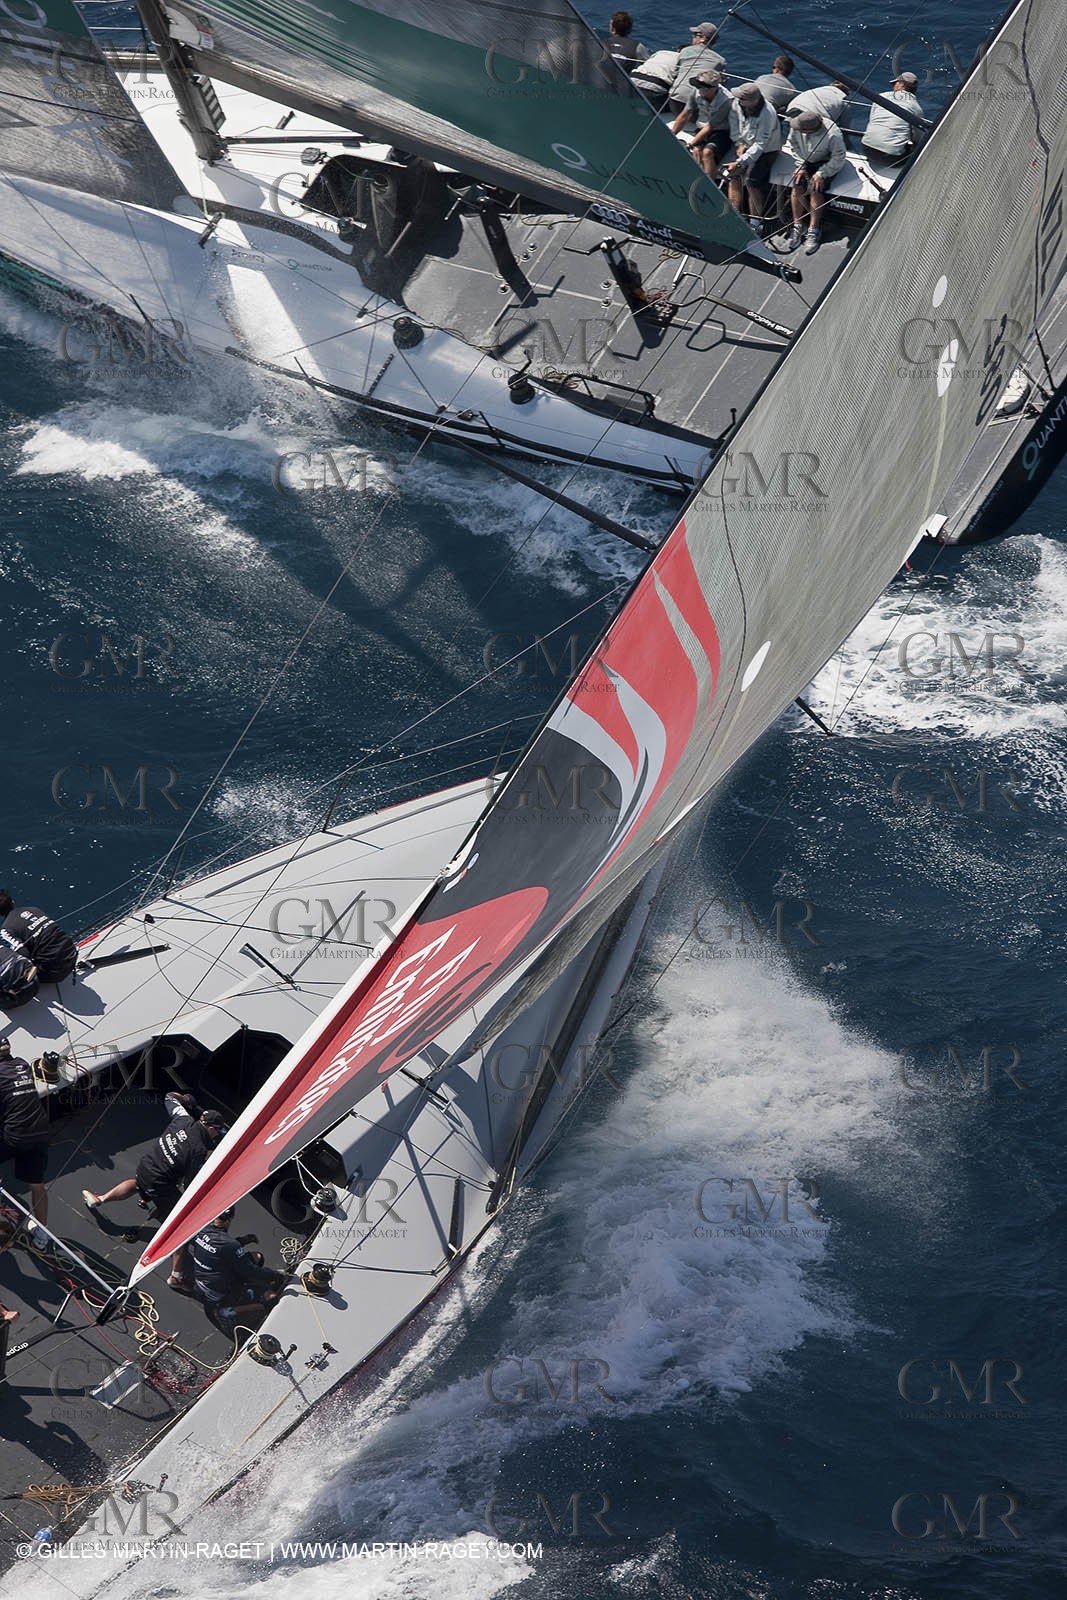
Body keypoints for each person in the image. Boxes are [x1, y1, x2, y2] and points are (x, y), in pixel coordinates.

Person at [83, 1092, 227, 1290]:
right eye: (217, 1130)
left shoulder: (183, 1118)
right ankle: (177, 1276)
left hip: (146, 1167)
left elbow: (169, 1097)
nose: (216, 1134)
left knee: (136, 1183)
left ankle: (100, 1199)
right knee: (181, 1225)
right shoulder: (199, 1150)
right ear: (210, 1127)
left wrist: (185, 1099)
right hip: (161, 1183)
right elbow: (191, 1183)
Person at [189, 1208, 285, 1338]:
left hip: (201, 1283)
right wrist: (274, 1275)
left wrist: (243, 1240)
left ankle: (245, 1291)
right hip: (219, 1292)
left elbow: (219, 1249)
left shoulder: (201, 1229)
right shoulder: (230, 1244)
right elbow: (250, 1271)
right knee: (271, 1297)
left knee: (257, 1257)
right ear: (229, 1220)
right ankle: (227, 1311)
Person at [0, 1038, 50, 1241]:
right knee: (37, 1185)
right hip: (40, 1131)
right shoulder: (21, 1063)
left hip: (15, 1135)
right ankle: (42, 1233)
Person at [783, 107, 847, 254]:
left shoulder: (833, 134)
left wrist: (821, 173)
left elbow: (838, 158)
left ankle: (814, 229)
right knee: (797, 184)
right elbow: (794, 145)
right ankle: (798, 225)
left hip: (827, 163)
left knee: (815, 187)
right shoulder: (797, 125)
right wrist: (801, 165)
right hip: (806, 160)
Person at [724, 83, 782, 232]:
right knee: (734, 176)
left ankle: (755, 222)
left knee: (751, 181)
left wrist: (740, 161)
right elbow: (734, 123)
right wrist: (740, 143)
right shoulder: (738, 104)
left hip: (767, 151)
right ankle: (735, 216)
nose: (737, 100)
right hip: (745, 145)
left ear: (752, 100)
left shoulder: (767, 114)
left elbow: (761, 144)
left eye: (741, 98)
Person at [0, 892, 77, 985]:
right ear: (13, 902)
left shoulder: (6, 929)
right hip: (72, 956)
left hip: (54, 973)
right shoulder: (34, 909)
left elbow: (24, 954)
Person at [671, 70, 734, 179]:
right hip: (701, 127)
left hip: (721, 131)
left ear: (712, 88)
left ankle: (709, 181)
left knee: (707, 153)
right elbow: (686, 114)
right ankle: (696, 178)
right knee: (696, 151)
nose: (699, 89)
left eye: (702, 87)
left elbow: (711, 126)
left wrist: (689, 144)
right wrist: (672, 134)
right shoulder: (696, 92)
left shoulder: (726, 100)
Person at [861, 72, 924, 165]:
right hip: (892, 158)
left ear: (901, 84)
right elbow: (918, 135)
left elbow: (872, 119)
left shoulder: (881, 96)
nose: (893, 86)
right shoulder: (916, 107)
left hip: (866, 148)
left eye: (895, 83)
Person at [667, 22, 726, 110]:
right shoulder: (720, 61)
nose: (693, 37)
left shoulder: (685, 51)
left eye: (695, 35)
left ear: (703, 38)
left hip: (675, 101)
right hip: (697, 106)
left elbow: (674, 73)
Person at [785, 80, 850, 126]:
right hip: (813, 115)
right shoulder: (843, 100)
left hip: (793, 107)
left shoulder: (820, 89)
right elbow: (844, 125)